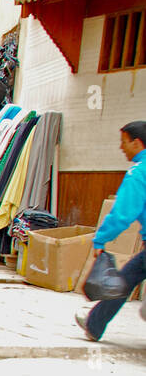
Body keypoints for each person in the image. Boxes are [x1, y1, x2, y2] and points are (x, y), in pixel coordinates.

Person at [76, 121, 146, 342]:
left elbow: (123, 213)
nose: (121, 147)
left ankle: (94, 324)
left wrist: (101, 239)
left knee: (124, 281)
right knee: (125, 279)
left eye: (123, 142)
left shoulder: (139, 172)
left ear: (137, 142)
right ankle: (94, 324)